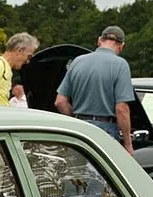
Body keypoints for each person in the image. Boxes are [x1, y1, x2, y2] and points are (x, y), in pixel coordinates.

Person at [55, 26, 135, 155]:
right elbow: (122, 109)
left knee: (77, 172)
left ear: (99, 40)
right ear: (121, 46)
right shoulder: (121, 65)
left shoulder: (77, 61)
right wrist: (127, 144)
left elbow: (60, 102)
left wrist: (75, 120)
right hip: (105, 131)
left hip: (78, 130)